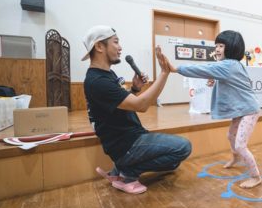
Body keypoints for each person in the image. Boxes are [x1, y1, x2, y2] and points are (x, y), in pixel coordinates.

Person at [82, 25, 191, 194]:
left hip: (132, 137)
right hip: (126, 144)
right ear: (99, 46)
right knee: (183, 147)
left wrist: (134, 89)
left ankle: (121, 169)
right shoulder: (97, 81)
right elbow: (142, 106)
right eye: (116, 42)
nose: (120, 47)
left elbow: (120, 105)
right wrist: (164, 73)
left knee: (173, 163)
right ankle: (127, 172)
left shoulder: (106, 75)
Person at [169, 30, 262, 188]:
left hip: (249, 110)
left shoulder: (228, 65)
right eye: (216, 46)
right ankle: (236, 158)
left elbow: (203, 69)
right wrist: (215, 79)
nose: (217, 49)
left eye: (221, 45)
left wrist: (177, 69)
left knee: (240, 144)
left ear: (231, 47)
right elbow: (226, 78)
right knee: (230, 136)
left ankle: (255, 176)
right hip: (241, 109)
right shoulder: (231, 65)